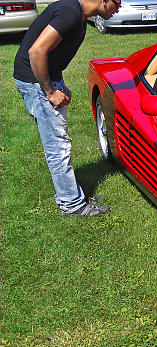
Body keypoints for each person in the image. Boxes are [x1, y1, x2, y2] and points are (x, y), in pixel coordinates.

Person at [13, 0, 120, 216]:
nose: (119, 7)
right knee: (57, 146)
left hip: (45, 79)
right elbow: (37, 52)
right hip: (35, 82)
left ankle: (71, 194)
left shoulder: (78, 16)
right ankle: (71, 204)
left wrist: (59, 83)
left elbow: (54, 54)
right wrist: (50, 91)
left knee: (59, 141)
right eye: (118, 2)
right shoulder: (70, 13)